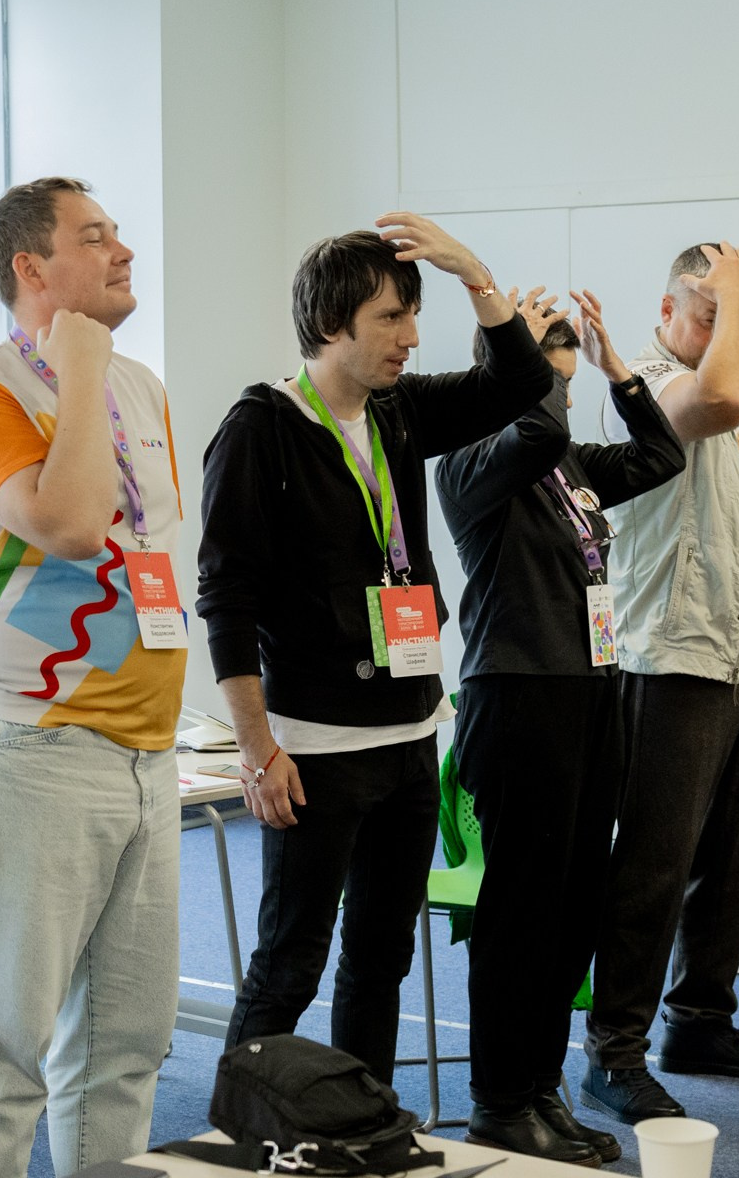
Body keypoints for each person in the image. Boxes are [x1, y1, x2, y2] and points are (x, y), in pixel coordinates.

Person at [0, 177, 206, 1178]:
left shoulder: (142, 384)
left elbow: (146, 552)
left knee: (126, 1037)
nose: (124, 247)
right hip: (34, 745)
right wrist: (77, 363)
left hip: (145, 750)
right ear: (30, 267)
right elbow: (74, 522)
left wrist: (100, 367)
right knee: (0, 1039)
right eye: (94, 237)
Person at [199, 217, 549, 1089]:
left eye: (414, 315)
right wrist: (255, 747)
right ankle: (238, 1120)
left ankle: (364, 1115)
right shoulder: (261, 428)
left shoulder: (398, 411)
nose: (412, 337)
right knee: (291, 960)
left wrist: (470, 269)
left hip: (406, 732)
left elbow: (523, 377)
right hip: (312, 745)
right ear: (332, 324)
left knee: (382, 955)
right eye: (392, 318)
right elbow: (226, 601)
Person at [436, 289, 684, 1161]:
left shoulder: (568, 461)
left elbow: (660, 455)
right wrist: (523, 361)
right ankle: (499, 1099)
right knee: (522, 911)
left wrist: (620, 369)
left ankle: (541, 1088)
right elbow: (532, 428)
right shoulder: (471, 461)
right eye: (552, 382)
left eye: (568, 386)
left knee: (576, 907)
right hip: (517, 695)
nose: (563, 401)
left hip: (589, 694)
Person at [580, 242, 739, 1128]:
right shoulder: (640, 378)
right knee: (655, 861)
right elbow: (714, 400)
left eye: (728, 312)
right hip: (672, 652)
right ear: (666, 312)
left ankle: (700, 1021)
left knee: (735, 855)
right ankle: (614, 1048)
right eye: (703, 310)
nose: (720, 327)